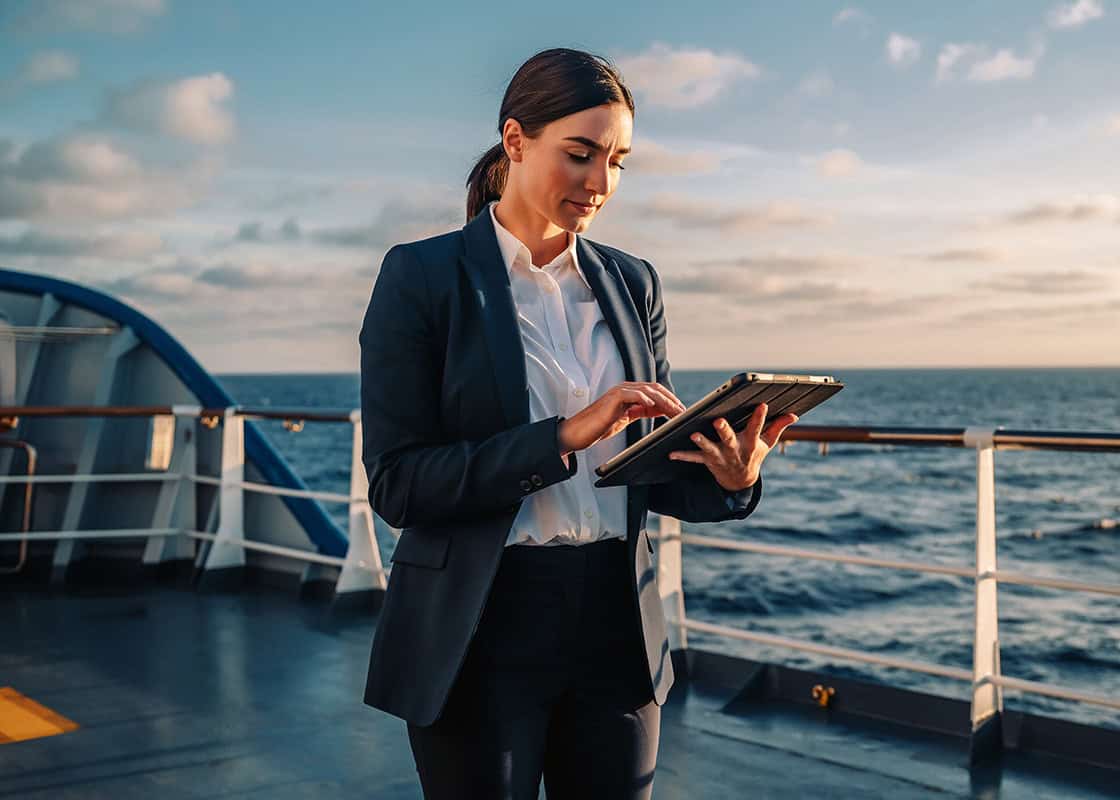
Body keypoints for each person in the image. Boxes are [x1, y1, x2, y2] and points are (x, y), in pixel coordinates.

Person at [358, 46, 798, 800]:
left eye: (619, 161)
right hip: (479, 630)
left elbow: (647, 471)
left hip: (616, 627)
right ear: (516, 140)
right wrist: (564, 436)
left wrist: (732, 479)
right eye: (580, 154)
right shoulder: (421, 277)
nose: (601, 183)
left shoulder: (634, 282)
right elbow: (400, 486)